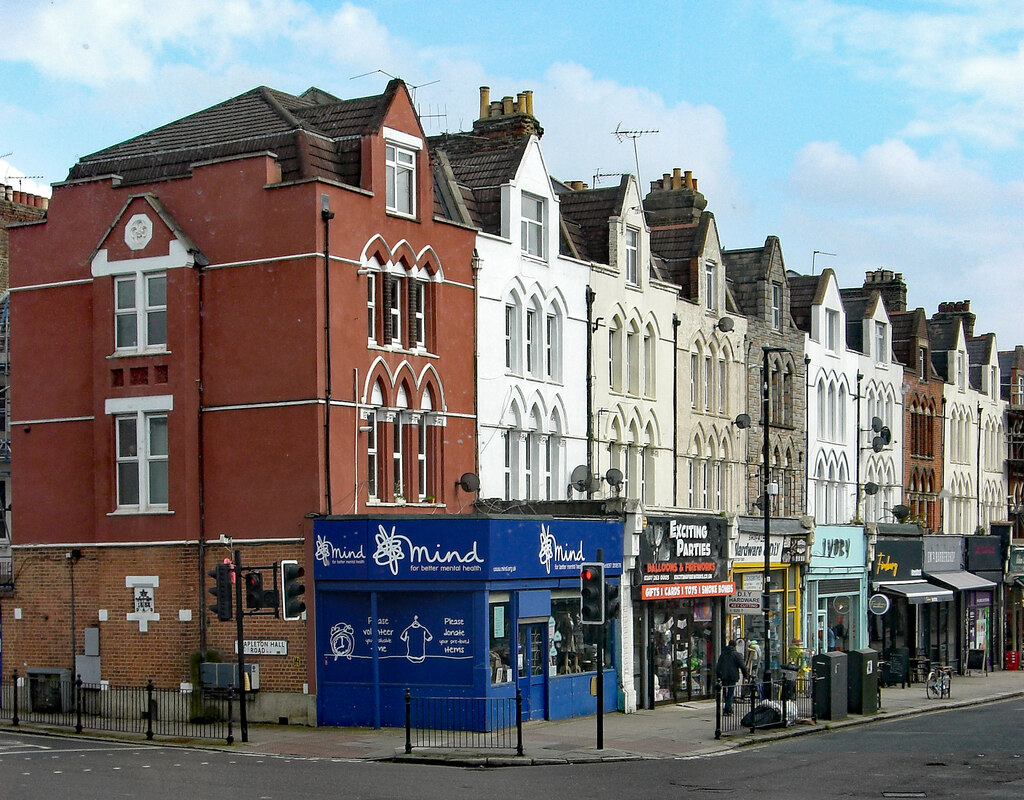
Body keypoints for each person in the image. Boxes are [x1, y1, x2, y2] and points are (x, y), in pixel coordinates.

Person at [715, 639, 749, 716]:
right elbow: (743, 666)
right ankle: (728, 709)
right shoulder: (736, 654)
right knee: (730, 693)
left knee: (725, 692)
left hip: (723, 676)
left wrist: (718, 676)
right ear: (735, 645)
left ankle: (727, 707)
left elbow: (718, 666)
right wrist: (746, 675)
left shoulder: (723, 654)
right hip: (733, 676)